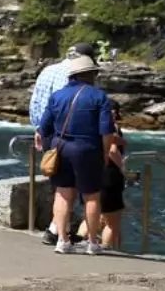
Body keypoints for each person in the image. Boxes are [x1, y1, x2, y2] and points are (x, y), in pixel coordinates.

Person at [37, 56, 115, 256]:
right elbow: (106, 132)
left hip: (61, 147)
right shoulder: (99, 97)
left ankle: (62, 240)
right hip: (87, 149)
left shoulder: (57, 96)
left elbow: (43, 127)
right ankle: (92, 243)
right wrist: (105, 154)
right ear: (91, 74)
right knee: (92, 197)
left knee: (63, 194)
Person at [29, 42, 95, 245]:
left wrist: (39, 129)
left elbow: (36, 103)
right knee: (71, 186)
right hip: (68, 136)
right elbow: (70, 108)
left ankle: (59, 229)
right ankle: (57, 231)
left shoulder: (48, 70)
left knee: (60, 183)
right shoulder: (78, 76)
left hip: (47, 133)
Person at [79, 100, 127, 250]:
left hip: (89, 172)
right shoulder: (111, 128)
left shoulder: (89, 126)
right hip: (108, 175)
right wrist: (123, 169)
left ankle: (80, 242)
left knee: (92, 214)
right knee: (112, 223)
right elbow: (113, 150)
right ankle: (106, 249)